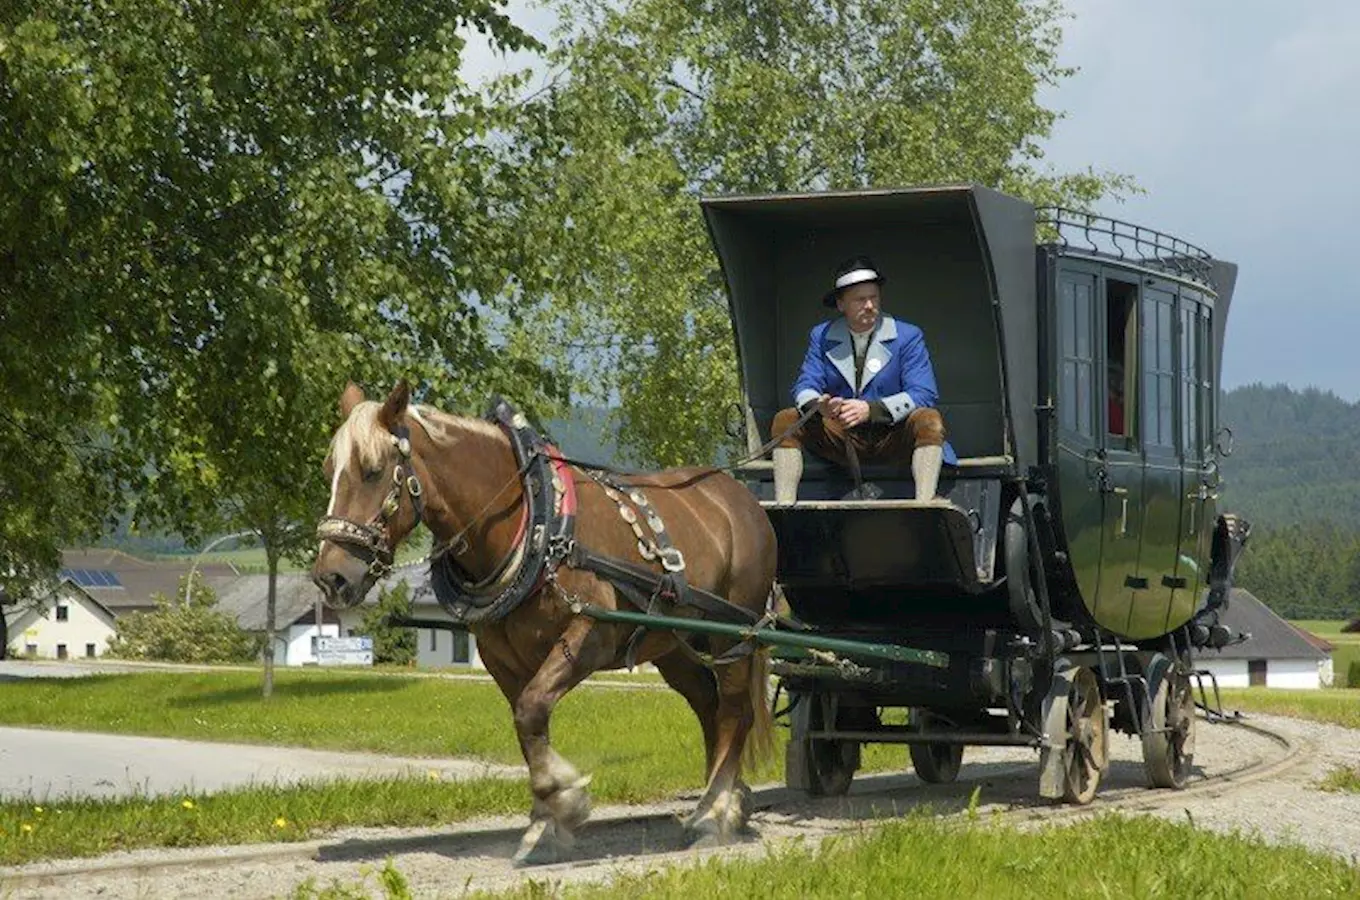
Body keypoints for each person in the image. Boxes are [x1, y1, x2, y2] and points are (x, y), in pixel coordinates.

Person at [771, 255, 956, 504]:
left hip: (892, 437)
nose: (869, 305)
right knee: (786, 420)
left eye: (874, 298)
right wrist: (820, 406)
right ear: (841, 304)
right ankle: (784, 507)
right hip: (843, 438)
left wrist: (871, 410)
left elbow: (924, 392)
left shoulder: (908, 336)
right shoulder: (821, 335)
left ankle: (923, 505)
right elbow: (805, 385)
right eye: (860, 299)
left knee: (929, 420)